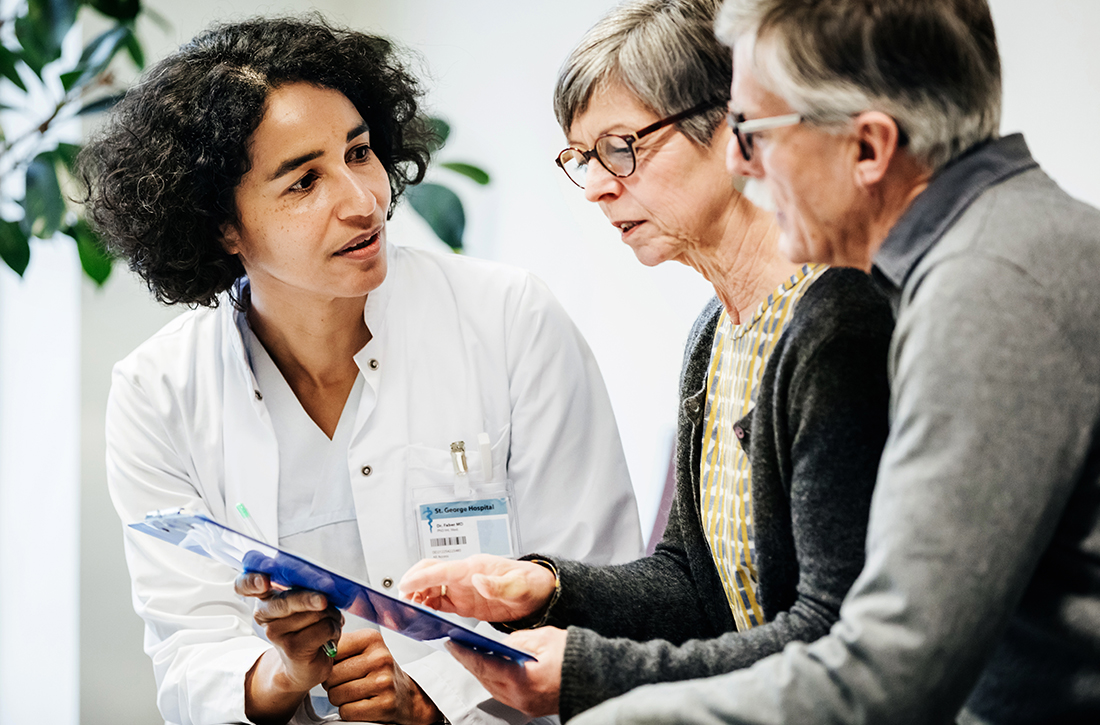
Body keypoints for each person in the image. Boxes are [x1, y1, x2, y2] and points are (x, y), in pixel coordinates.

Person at [81, 16, 643, 725]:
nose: (361, 200)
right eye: (304, 181)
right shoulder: (158, 392)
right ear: (221, 224)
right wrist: (283, 674)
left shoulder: (508, 320)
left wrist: (430, 697)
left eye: (359, 152)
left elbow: (601, 588)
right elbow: (187, 648)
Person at [558, 0, 1100, 723]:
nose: (740, 162)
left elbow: (891, 668)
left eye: (754, 130)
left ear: (869, 148)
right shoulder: (1005, 245)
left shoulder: (984, 290)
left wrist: (614, 712)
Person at [398, 0, 893, 720]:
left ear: (731, 123)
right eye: (581, 158)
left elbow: (833, 630)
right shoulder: (712, 333)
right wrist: (542, 586)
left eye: (621, 146)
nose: (598, 184)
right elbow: (692, 582)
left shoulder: (834, 319)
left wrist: (593, 669)